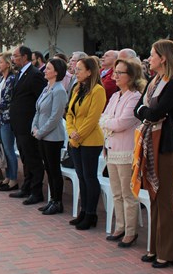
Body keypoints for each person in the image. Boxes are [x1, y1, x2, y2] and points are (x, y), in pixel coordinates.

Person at [133, 39, 173, 268]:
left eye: (152, 55)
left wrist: (148, 112)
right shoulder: (154, 81)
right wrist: (148, 111)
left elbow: (156, 113)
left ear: (163, 58)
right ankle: (154, 248)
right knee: (153, 196)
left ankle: (167, 252)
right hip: (150, 142)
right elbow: (140, 109)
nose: (149, 58)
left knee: (164, 199)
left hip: (166, 146)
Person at [101, 58, 145, 247]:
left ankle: (131, 231)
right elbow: (102, 118)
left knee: (128, 194)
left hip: (126, 151)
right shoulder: (115, 96)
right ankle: (120, 226)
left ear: (131, 76)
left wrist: (108, 123)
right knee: (116, 192)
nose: (115, 76)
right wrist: (108, 123)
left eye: (120, 73)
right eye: (115, 72)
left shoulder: (134, 97)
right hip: (111, 148)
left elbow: (122, 123)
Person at [66, 56, 106, 230]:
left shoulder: (98, 90)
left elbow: (92, 118)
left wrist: (78, 135)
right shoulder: (77, 88)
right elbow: (69, 113)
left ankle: (91, 214)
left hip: (90, 140)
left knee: (90, 177)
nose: (76, 71)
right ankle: (83, 211)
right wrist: (71, 132)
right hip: (75, 140)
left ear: (89, 72)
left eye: (80, 69)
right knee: (81, 176)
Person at [8, 46, 47, 206]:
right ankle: (27, 187)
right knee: (25, 157)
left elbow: (41, 101)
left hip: (29, 124)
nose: (13, 59)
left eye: (15, 56)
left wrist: (36, 123)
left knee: (33, 159)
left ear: (25, 57)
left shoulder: (35, 75)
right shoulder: (20, 74)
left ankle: (36, 192)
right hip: (19, 124)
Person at [32, 58, 68, 215]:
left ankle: (57, 201)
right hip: (42, 135)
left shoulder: (59, 90)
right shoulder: (47, 88)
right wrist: (34, 126)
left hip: (52, 136)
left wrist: (40, 132)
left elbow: (55, 117)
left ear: (56, 72)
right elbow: (38, 110)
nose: (45, 71)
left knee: (54, 170)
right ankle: (52, 200)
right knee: (48, 168)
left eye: (48, 68)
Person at [0, 53, 19, 192]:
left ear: (8, 64)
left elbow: (6, 100)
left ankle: (13, 179)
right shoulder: (3, 78)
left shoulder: (12, 79)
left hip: (6, 119)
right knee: (4, 149)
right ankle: (7, 178)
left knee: (9, 150)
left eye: (0, 62)